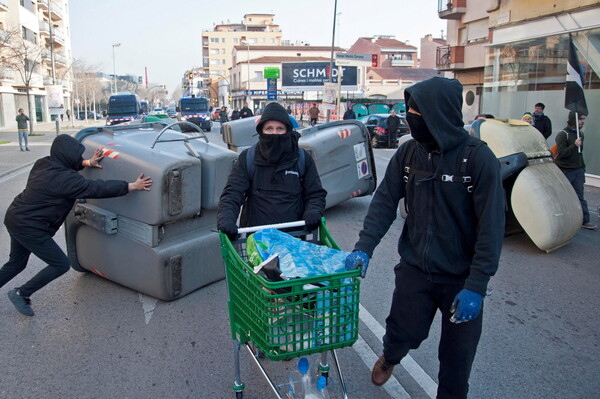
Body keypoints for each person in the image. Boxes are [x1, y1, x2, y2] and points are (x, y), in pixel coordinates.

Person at [345, 77, 504, 398]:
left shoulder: (477, 159)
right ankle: (390, 358)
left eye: (416, 112)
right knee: (402, 332)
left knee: (457, 362)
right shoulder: (408, 154)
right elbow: (384, 203)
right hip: (416, 269)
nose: (410, 118)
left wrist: (477, 285)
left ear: (438, 113)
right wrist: (365, 247)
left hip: (462, 279)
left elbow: (492, 226)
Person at [0, 134, 153, 316]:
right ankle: (21, 293)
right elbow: (96, 188)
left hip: (15, 217)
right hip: (30, 227)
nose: (79, 159)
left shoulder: (43, 163)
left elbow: (66, 168)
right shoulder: (67, 180)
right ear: (67, 156)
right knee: (60, 264)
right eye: (77, 157)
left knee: (16, 263)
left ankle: (20, 292)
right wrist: (131, 186)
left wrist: (87, 163)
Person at [217, 102, 327, 238]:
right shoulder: (248, 158)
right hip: (257, 238)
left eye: (280, 129)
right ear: (261, 131)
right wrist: (227, 219)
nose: (274, 133)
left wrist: (313, 211)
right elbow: (233, 193)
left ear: (287, 130)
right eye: (269, 129)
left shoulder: (302, 158)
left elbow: (315, 193)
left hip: (294, 237)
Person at [555, 111, 596, 230]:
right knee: (563, 196)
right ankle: (560, 219)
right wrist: (574, 145)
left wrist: (582, 168)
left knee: (579, 196)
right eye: (581, 119)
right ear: (574, 119)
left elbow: (579, 154)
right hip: (566, 171)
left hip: (577, 170)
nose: (583, 122)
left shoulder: (580, 134)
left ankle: (585, 220)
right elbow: (561, 154)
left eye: (584, 119)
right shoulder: (563, 134)